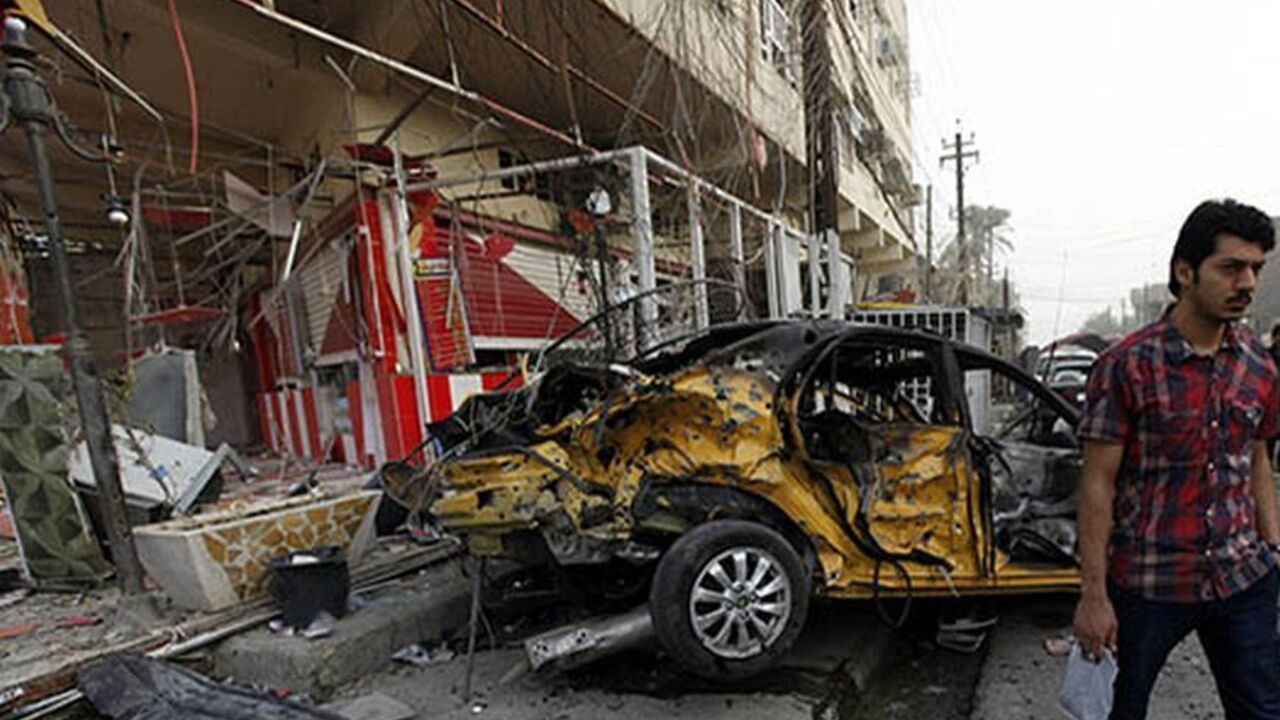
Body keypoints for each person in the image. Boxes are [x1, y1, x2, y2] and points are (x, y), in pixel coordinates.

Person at [1073, 199, 1280, 720]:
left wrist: (1273, 547)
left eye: (1256, 268)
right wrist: (1094, 596)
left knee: (1262, 709)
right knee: (1119, 711)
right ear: (1185, 271)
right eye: (1231, 267)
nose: (1248, 282)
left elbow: (1257, 457)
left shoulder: (1259, 364)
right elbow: (1098, 483)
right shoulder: (1126, 366)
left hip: (1241, 577)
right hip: (1148, 582)